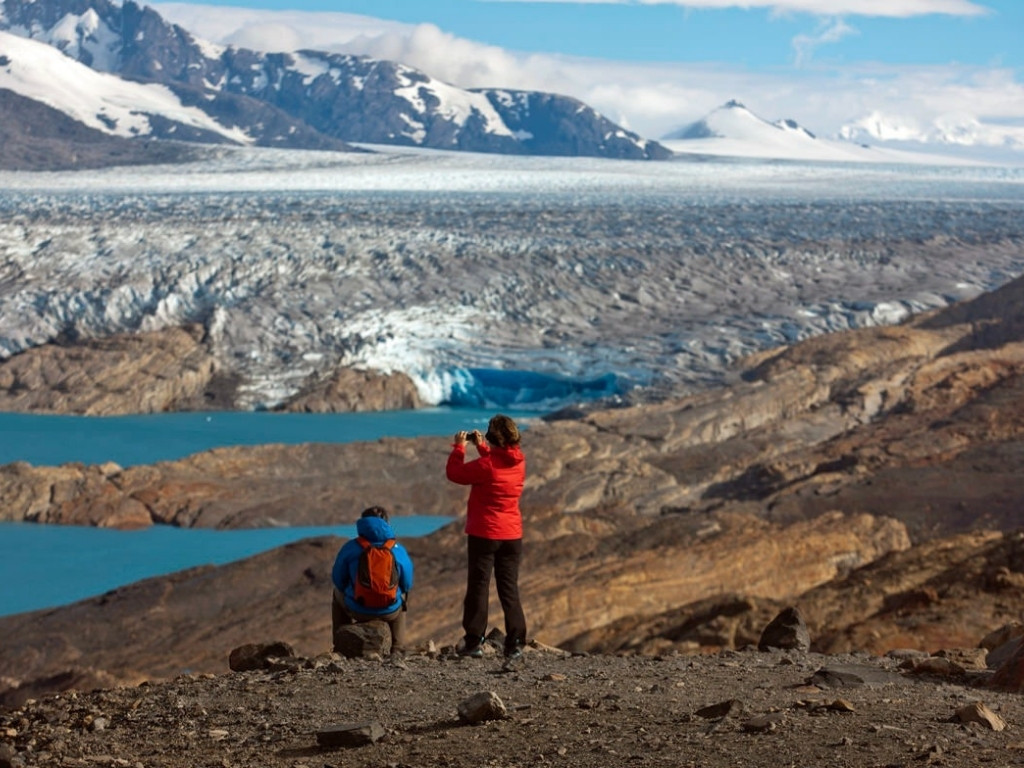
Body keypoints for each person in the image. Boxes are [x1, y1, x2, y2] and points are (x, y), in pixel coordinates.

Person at [445, 413, 527, 661]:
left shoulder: (485, 466)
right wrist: (482, 447)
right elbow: (497, 464)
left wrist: (460, 448)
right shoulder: (519, 462)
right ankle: (515, 644)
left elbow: (455, 473)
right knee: (509, 589)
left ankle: (473, 642)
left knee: (479, 588)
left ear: (493, 438)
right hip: (512, 536)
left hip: (484, 534)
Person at [331, 506, 414, 655]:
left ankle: (341, 644)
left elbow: (338, 580)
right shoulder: (396, 549)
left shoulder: (351, 547)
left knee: (336, 594)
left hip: (357, 608)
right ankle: (398, 647)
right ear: (387, 523)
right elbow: (407, 584)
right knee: (402, 595)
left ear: (362, 523)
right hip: (390, 610)